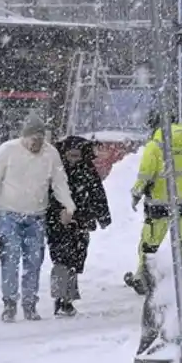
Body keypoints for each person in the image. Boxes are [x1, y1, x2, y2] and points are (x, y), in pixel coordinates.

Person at [0, 112, 76, 322]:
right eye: (33, 139)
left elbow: (59, 182)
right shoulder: (7, 151)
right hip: (9, 215)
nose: (37, 144)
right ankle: (10, 303)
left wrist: (69, 206)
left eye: (41, 140)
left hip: (36, 216)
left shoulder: (51, 155)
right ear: (24, 137)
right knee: (10, 259)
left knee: (34, 261)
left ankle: (30, 303)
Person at [124, 110, 182, 294]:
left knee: (149, 245)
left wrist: (136, 193)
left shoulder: (155, 147)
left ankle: (144, 280)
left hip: (159, 205)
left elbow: (145, 174)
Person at [47, 135, 112, 317]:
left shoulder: (88, 171)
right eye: (71, 156)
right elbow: (48, 193)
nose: (74, 160)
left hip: (81, 223)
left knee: (75, 260)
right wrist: (56, 211)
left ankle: (67, 298)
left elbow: (98, 194)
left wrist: (103, 216)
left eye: (77, 156)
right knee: (61, 260)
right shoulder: (56, 171)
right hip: (58, 222)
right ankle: (61, 299)